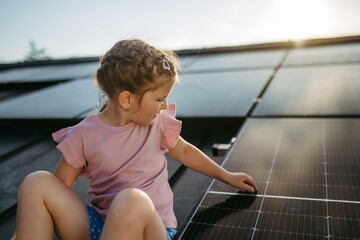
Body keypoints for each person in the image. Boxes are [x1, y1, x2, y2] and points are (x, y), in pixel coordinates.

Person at [13, 39, 258, 240]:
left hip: (150, 230)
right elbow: (59, 189)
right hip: (101, 227)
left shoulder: (159, 122)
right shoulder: (82, 135)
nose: (164, 106)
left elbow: (185, 153)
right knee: (37, 183)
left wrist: (227, 176)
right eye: (159, 98)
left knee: (131, 199)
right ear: (127, 100)